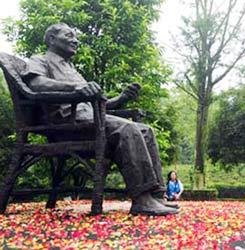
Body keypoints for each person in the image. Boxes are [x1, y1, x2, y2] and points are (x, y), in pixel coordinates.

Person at [21, 23, 178, 216]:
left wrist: (121, 98)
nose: (75, 40)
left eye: (75, 36)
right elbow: (36, 84)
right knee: (128, 129)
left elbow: (95, 104)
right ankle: (142, 199)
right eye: (69, 35)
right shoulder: (40, 60)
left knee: (145, 130)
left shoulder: (72, 69)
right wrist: (74, 88)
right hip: (65, 124)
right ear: (52, 39)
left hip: (89, 119)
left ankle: (156, 196)